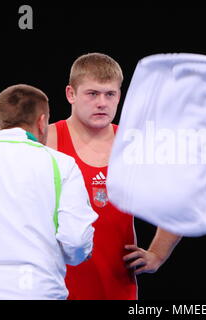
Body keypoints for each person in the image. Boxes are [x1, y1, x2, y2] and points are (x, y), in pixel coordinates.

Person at [46, 53, 182, 300]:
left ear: (119, 96)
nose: (102, 103)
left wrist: (157, 254)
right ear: (71, 94)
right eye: (92, 94)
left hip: (117, 287)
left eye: (110, 94)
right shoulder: (47, 140)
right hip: (55, 287)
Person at [0, 84, 98, 300]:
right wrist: (81, 254)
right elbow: (76, 241)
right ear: (42, 122)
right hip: (37, 291)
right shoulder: (61, 164)